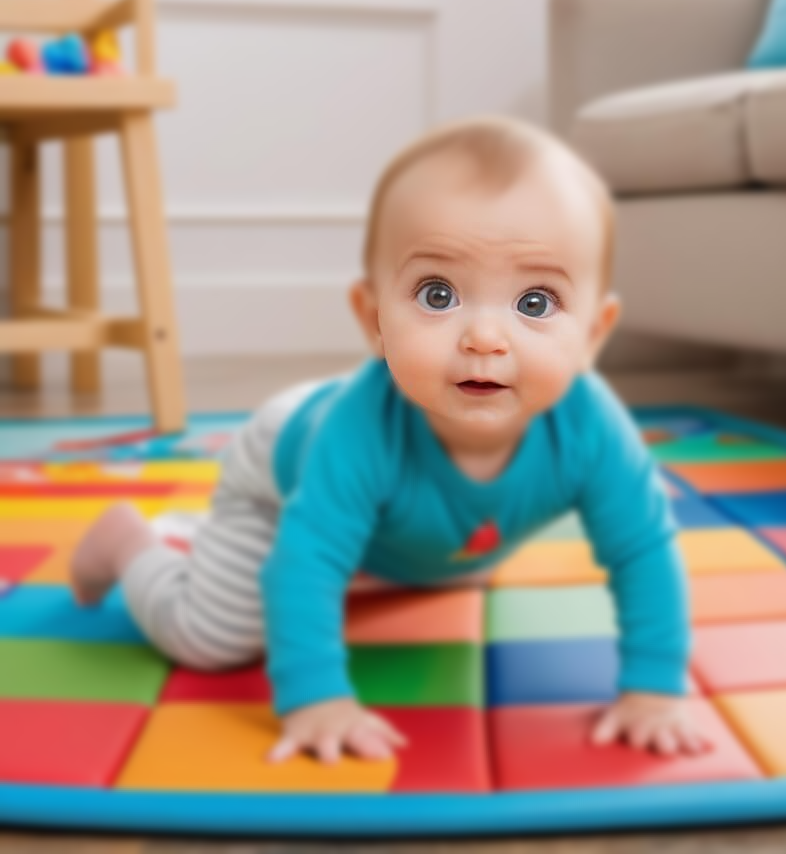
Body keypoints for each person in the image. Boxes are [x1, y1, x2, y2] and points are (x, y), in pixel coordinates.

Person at [71, 114, 709, 766]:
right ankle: (129, 542)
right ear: (373, 319)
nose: (485, 338)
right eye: (438, 295)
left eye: (536, 303)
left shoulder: (593, 428)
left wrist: (656, 688)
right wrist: (315, 697)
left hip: (408, 507)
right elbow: (307, 564)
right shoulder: (358, 436)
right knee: (209, 638)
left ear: (596, 333)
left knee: (454, 559)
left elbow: (643, 549)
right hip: (284, 468)